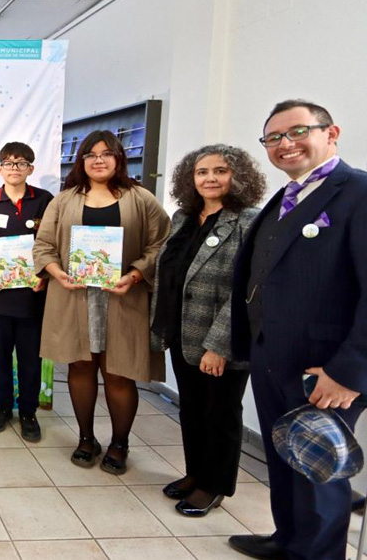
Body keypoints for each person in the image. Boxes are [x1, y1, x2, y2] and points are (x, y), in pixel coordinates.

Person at [228, 100, 367, 560]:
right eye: (273, 138)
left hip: (325, 368)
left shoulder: (358, 192)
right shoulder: (287, 196)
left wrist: (349, 371)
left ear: (332, 133)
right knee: (286, 458)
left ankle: (319, 554)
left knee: (320, 470)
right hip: (274, 357)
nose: (284, 144)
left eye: (297, 132)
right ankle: (287, 539)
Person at [33, 130, 170, 474]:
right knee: (79, 367)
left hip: (123, 298)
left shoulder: (140, 198)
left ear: (119, 158)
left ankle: (120, 443)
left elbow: (162, 244)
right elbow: (43, 245)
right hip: (73, 297)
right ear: (81, 161)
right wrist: (56, 272)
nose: (98, 160)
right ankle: (85, 437)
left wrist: (136, 274)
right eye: (90, 154)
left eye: (106, 153)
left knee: (119, 373)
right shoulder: (64, 201)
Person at [150, 145, 266, 516]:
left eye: (220, 171)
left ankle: (214, 485)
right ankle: (195, 473)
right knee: (193, 410)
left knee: (221, 414)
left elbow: (249, 289)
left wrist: (220, 345)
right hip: (183, 333)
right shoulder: (184, 216)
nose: (210, 178)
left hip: (221, 342)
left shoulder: (249, 221)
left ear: (238, 176)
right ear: (191, 178)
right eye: (202, 172)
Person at [0, 142, 54, 440]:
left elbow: (55, 243)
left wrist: (45, 274)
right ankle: (2, 407)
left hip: (34, 295)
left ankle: (28, 411)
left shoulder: (45, 200)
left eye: (20, 163)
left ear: (31, 168)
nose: (14, 168)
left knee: (31, 357)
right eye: (8, 162)